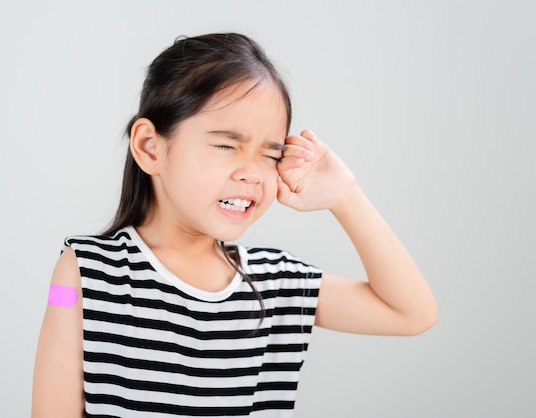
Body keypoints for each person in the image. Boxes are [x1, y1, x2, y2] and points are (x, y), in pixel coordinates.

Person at [31, 32, 437, 418]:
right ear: (150, 147)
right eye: (227, 145)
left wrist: (346, 198)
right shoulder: (85, 274)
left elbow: (411, 313)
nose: (252, 173)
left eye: (269, 154)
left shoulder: (277, 283)